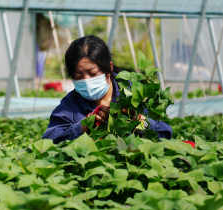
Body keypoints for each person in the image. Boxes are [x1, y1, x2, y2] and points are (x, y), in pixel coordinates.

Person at [43, 35, 172, 143]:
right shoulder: (70, 105)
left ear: (109, 68)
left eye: (93, 73)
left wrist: (139, 121)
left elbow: (166, 134)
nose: (87, 81)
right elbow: (49, 141)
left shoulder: (135, 94)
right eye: (78, 76)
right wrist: (83, 127)